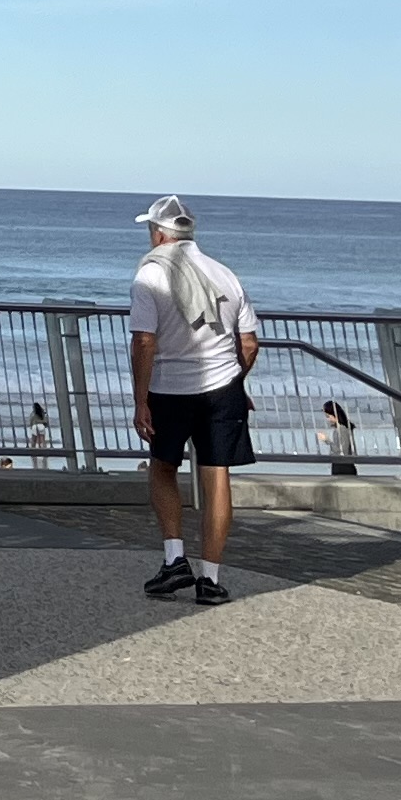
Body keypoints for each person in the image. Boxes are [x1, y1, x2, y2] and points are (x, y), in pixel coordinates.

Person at [129, 192, 261, 604]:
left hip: (171, 387)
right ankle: (212, 579)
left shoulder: (149, 276)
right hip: (223, 388)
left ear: (157, 234)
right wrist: (237, 381)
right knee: (217, 476)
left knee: (163, 469)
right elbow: (250, 343)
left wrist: (140, 400)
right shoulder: (226, 274)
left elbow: (145, 341)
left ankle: (174, 560)